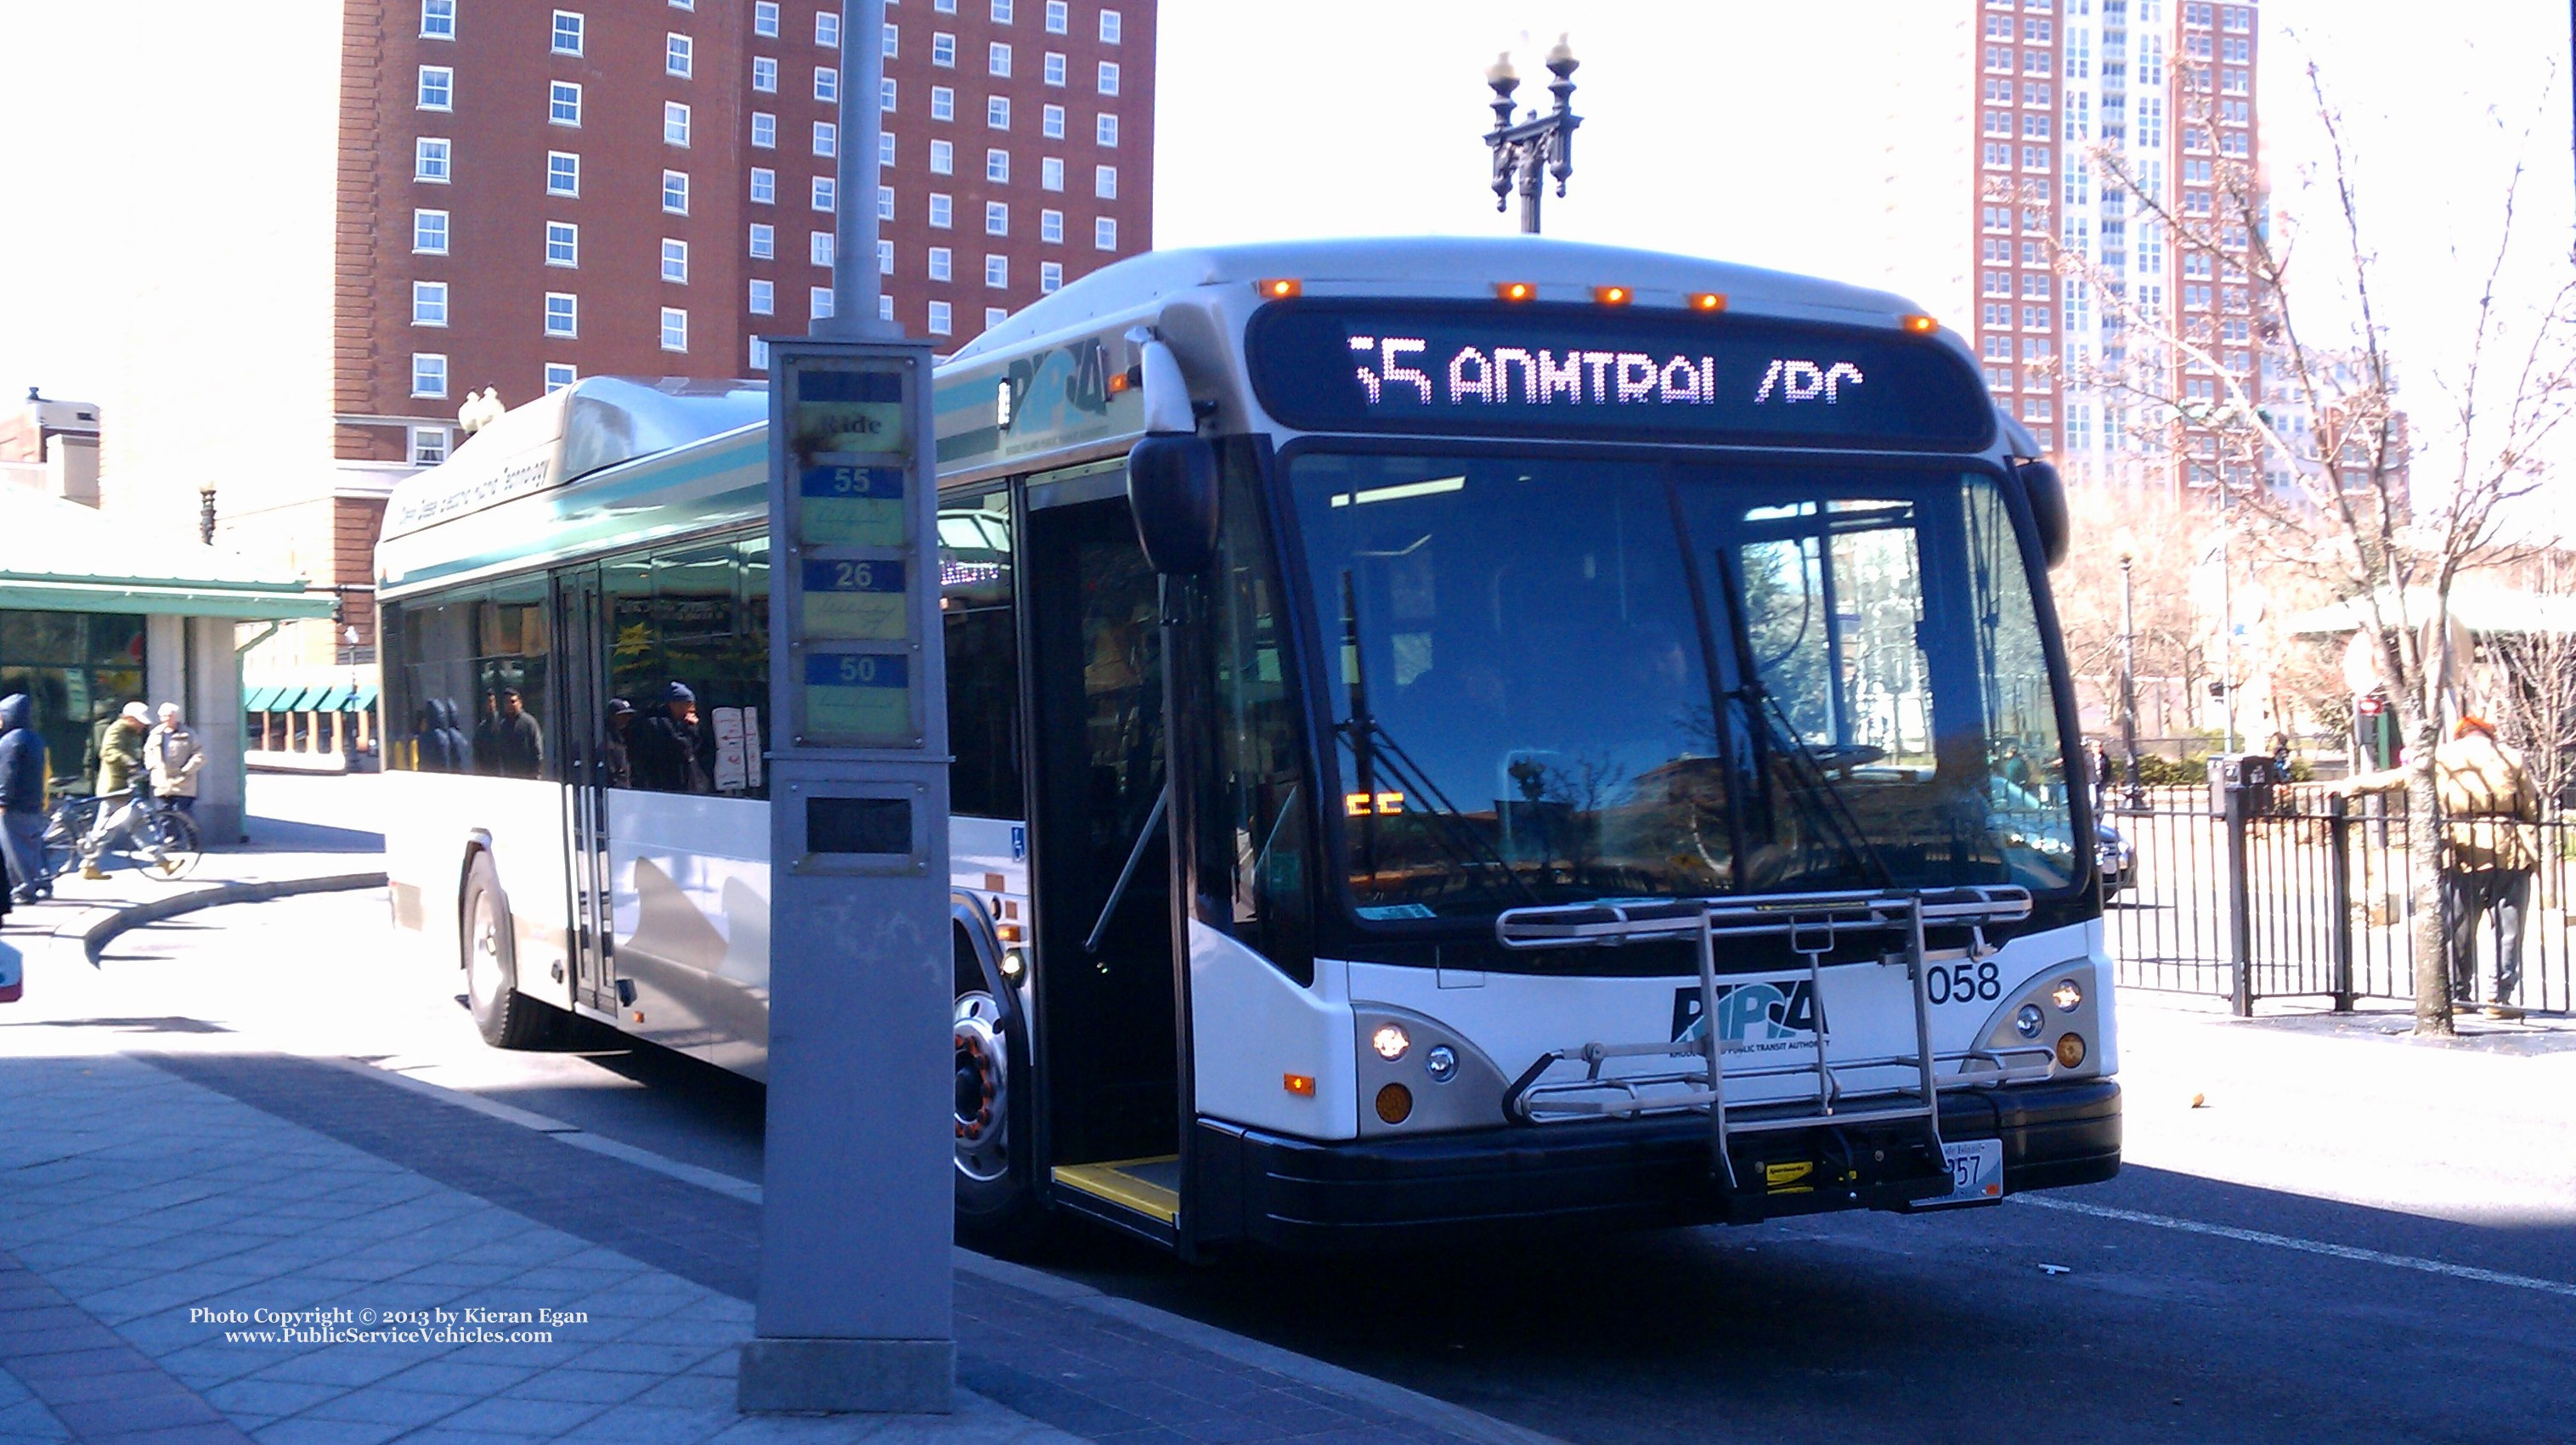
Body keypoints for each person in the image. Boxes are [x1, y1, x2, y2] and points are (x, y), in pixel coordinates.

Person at [2336, 715, 2539, 1019]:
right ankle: (2499, 998)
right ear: (2488, 734)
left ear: (2461, 735)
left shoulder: (2443, 757)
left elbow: (2400, 778)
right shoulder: (2510, 756)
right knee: (2508, 930)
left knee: (2459, 926)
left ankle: (2458, 994)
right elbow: (2530, 806)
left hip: (2461, 847)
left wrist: (2353, 785)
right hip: (2510, 849)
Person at [82, 702, 151, 878]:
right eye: (139, 721)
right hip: (115, 787)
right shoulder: (117, 729)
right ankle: (162, 860)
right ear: (129, 718)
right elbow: (108, 751)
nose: (142, 725)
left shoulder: (130, 732)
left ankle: (89, 864)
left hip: (122, 787)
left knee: (106, 829)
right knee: (137, 824)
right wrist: (129, 762)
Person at [0, 694, 48, 905]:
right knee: (31, 846)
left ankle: (23, 890)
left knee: (14, 849)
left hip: (14, 804)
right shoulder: (33, 738)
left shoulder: (12, 740)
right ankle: (39, 883)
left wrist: (2, 799)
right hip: (32, 801)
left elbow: (7, 773)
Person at [630, 682, 710, 793]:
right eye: (688, 704)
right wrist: (690, 727)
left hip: (689, 784)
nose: (692, 708)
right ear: (673, 704)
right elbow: (682, 749)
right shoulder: (657, 724)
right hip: (667, 784)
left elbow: (700, 750)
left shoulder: (683, 724)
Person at [146, 704, 204, 816]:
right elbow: (148, 753)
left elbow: (199, 755)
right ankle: (168, 834)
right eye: (163, 716)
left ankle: (188, 833)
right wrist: (153, 768)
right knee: (164, 817)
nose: (166, 719)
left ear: (176, 717)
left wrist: (186, 770)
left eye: (169, 716)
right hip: (162, 783)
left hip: (184, 784)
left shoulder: (189, 734)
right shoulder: (155, 734)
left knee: (183, 817)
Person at [480, 686, 545, 778]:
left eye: (513, 702)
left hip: (528, 778)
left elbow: (538, 751)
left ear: (520, 703)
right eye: (506, 702)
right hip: (509, 778)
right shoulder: (502, 726)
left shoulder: (529, 723)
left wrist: (536, 775)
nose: (510, 705)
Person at [602, 698, 636, 789]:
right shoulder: (607, 738)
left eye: (629, 715)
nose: (628, 718)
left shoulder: (620, 735)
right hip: (615, 789)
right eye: (623, 715)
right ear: (613, 716)